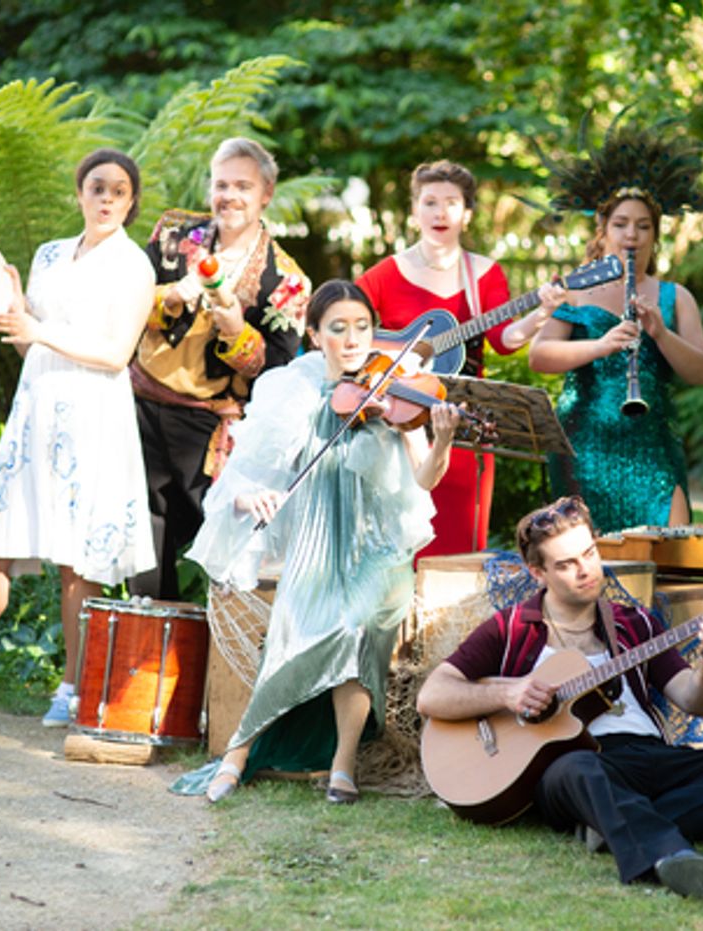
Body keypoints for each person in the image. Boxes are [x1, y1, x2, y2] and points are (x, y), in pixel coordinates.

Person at [417, 496, 703, 898]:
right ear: (538, 573)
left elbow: (695, 701)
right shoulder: (511, 628)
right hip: (572, 769)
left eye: (589, 552)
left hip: (651, 757)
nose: (586, 570)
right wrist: (509, 691)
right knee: (580, 767)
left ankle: (612, 825)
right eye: (566, 564)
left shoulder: (635, 623)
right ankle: (666, 852)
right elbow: (432, 695)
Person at [178, 280, 461, 804]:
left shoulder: (396, 388)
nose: (353, 340)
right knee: (295, 621)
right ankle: (238, 754)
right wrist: (252, 498)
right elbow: (243, 476)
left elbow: (425, 479)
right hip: (316, 544)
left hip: (380, 548)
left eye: (362, 328)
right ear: (314, 335)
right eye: (338, 329)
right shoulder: (293, 390)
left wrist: (442, 437)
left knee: (354, 623)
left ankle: (343, 764)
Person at [0, 148, 156, 726]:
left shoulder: (134, 267)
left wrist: (40, 328)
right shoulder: (47, 255)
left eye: (120, 190)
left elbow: (118, 355)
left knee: (77, 563)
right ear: (79, 193)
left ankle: (72, 689)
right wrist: (16, 312)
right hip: (37, 410)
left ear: (132, 201)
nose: (108, 198)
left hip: (94, 416)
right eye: (98, 187)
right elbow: (28, 346)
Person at [131, 137, 311, 600]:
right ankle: (147, 652)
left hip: (208, 426)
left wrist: (237, 332)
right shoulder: (174, 234)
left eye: (243, 186)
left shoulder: (287, 280)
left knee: (222, 539)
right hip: (142, 405)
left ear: (266, 194)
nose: (229, 196)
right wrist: (169, 297)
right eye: (221, 184)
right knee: (144, 541)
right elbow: (126, 302)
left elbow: (276, 374)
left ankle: (221, 658)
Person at [357, 160, 550, 557]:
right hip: (397, 430)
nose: (440, 212)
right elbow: (344, 324)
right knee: (397, 550)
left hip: (464, 425)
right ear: (414, 211)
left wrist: (542, 313)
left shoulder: (484, 273)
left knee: (458, 551)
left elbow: (505, 340)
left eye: (451, 203)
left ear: (468, 214)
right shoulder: (386, 273)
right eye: (430, 202)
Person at [528, 126, 703, 533]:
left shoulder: (675, 296)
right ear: (604, 229)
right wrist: (601, 346)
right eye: (621, 224)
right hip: (584, 446)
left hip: (652, 446)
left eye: (644, 226)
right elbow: (539, 357)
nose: (632, 235)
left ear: (655, 234)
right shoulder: (576, 287)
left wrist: (661, 334)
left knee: (666, 558)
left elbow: (700, 372)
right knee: (590, 566)